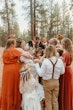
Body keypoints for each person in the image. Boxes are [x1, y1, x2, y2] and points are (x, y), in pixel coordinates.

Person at [1, 38, 32, 110]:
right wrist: (30, 56)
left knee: (7, 87)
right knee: (13, 86)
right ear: (12, 44)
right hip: (13, 71)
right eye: (14, 43)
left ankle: (6, 103)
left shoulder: (5, 51)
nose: (15, 45)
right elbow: (26, 55)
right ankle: (13, 104)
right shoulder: (13, 50)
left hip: (6, 70)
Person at [34, 45, 65, 110]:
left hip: (47, 82)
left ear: (46, 52)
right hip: (56, 82)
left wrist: (36, 65)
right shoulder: (59, 60)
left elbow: (40, 74)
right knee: (55, 100)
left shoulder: (46, 61)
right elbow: (62, 72)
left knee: (48, 101)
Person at [59, 38, 73, 110]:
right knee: (68, 90)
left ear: (64, 44)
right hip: (69, 71)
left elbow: (63, 66)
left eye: (61, 43)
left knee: (65, 90)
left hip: (65, 73)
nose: (60, 45)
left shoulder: (65, 54)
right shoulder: (68, 52)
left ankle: (65, 106)